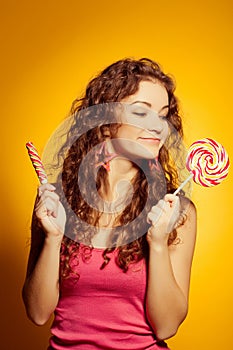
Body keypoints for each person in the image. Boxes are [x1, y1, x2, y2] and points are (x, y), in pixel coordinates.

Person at [22, 58, 197, 350]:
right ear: (102, 123)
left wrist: (157, 243)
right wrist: (53, 238)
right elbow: (38, 314)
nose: (158, 126)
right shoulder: (56, 201)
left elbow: (166, 327)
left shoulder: (178, 212)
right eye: (142, 111)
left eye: (163, 115)